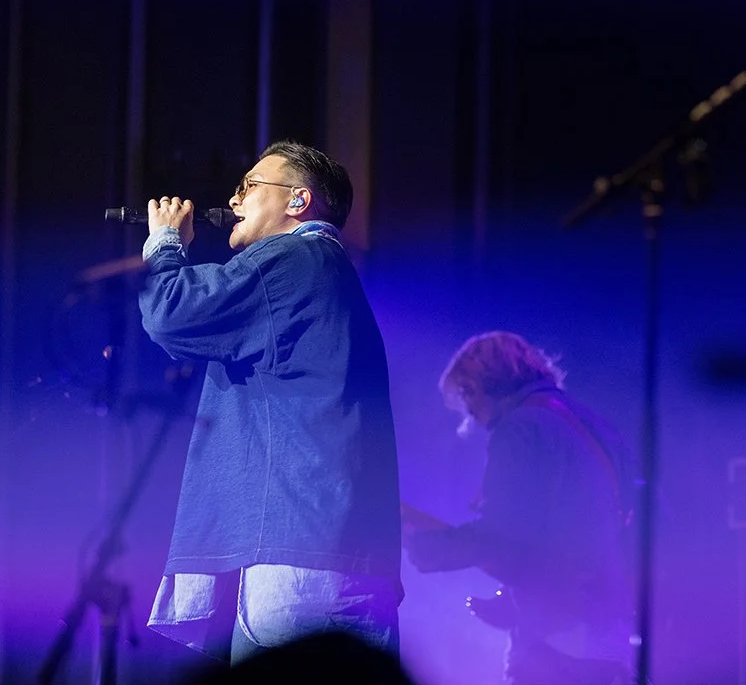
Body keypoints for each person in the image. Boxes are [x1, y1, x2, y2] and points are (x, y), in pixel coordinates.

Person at [137, 139, 402, 666]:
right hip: (327, 554)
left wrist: (165, 244)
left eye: (249, 187)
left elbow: (173, 312)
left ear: (298, 202)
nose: (233, 201)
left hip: (299, 557)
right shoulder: (321, 270)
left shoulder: (294, 256)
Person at [402, 331, 636, 684]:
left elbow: (505, 535)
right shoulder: (591, 423)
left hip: (557, 637)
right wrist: (510, 600)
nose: (471, 415)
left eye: (466, 396)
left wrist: (422, 545)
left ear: (477, 386)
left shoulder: (521, 426)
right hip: (609, 629)